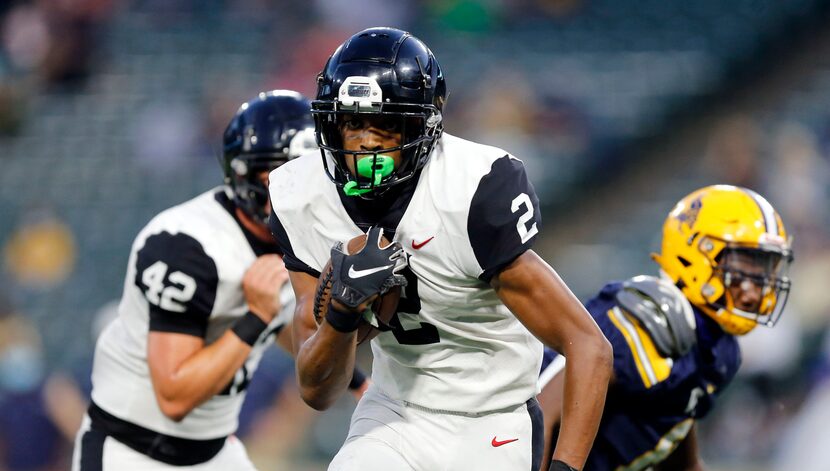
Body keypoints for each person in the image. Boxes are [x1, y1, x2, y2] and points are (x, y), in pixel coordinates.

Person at [268, 27, 612, 471]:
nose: (367, 142)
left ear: (423, 123)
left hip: (494, 420)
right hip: (395, 412)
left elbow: (588, 347)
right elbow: (317, 391)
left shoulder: (474, 191)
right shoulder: (302, 194)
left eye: (386, 124)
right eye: (353, 122)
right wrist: (343, 311)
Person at [71, 90, 321, 470]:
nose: (295, 191)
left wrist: (356, 378)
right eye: (282, 174)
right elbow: (174, 396)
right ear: (245, 173)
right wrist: (255, 317)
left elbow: (293, 327)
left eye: (306, 174)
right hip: (135, 452)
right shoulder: (186, 245)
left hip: (215, 450)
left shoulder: (293, 236)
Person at [537, 185, 793, 470]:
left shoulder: (720, 349)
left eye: (765, 270)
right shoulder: (649, 320)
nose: (756, 288)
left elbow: (673, 422)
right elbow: (539, 414)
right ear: (696, 253)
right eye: (746, 265)